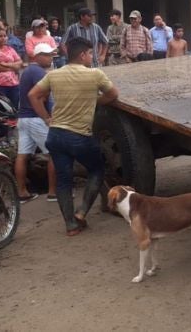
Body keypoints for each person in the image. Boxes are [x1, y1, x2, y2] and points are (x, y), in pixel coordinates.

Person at [28, 37, 119, 236]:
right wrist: (95, 102)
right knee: (96, 169)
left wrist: (46, 119)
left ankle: (70, 225)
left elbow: (33, 95)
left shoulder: (54, 75)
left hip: (56, 135)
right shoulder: (95, 74)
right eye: (89, 54)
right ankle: (82, 211)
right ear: (82, 55)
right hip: (80, 136)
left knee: (63, 180)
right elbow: (113, 94)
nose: (91, 57)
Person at [16, 43, 58, 203]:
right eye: (47, 55)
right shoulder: (38, 72)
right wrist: (46, 117)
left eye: (51, 55)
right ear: (37, 56)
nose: (50, 58)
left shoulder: (27, 71)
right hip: (36, 118)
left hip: (24, 118)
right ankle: (53, 192)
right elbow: (40, 96)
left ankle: (22, 192)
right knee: (54, 153)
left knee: (22, 156)